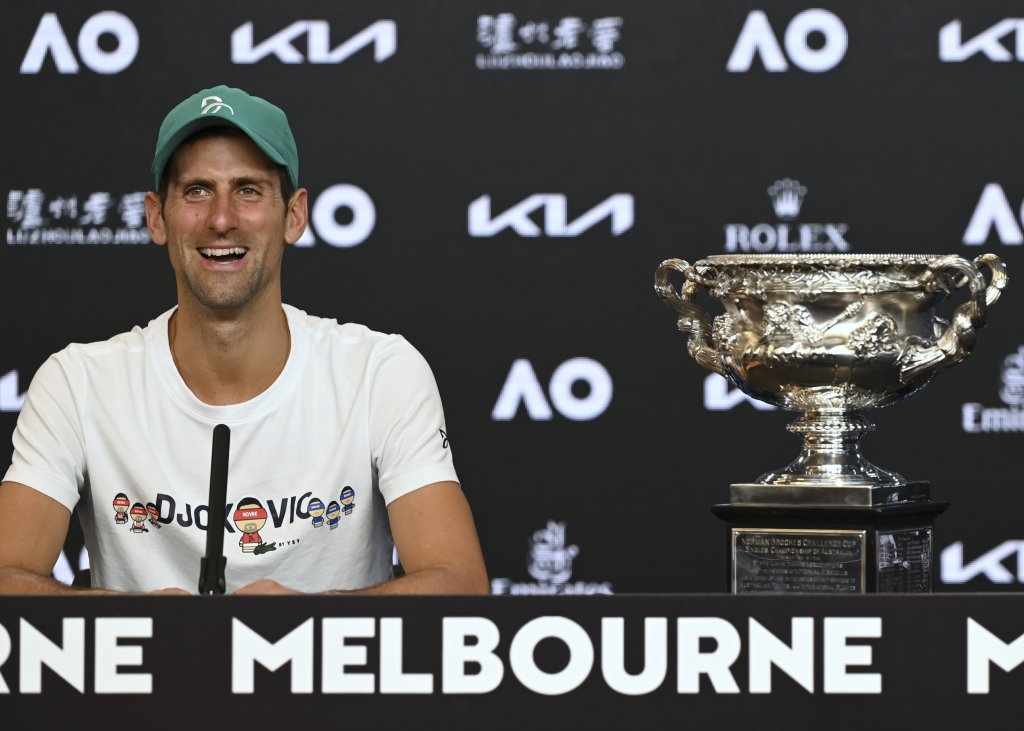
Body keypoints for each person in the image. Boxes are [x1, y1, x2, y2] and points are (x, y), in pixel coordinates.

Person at [0, 85, 488, 596]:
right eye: (197, 191)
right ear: (156, 217)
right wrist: (143, 621)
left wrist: (301, 620)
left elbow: (460, 583)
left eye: (249, 190)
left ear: (294, 215)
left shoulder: (379, 373)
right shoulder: (78, 382)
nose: (221, 219)